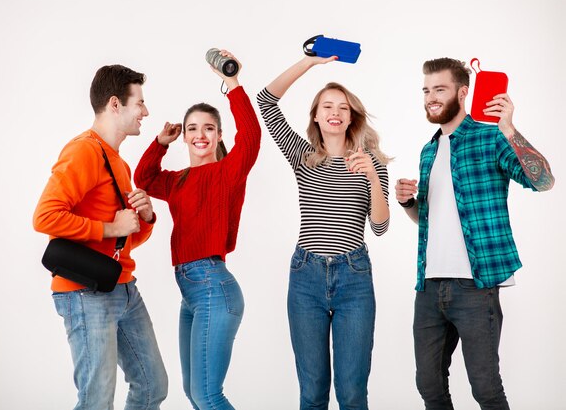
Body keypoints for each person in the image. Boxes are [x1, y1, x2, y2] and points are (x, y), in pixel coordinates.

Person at [395, 57, 555, 410]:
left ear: (463, 92)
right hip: (429, 286)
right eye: (426, 90)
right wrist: (408, 203)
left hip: (475, 287)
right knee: (429, 386)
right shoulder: (429, 149)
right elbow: (428, 220)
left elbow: (543, 181)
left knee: (486, 389)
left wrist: (509, 129)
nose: (430, 97)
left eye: (439, 89)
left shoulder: (491, 137)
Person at [257, 55, 391, 410]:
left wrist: (374, 179)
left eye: (343, 107)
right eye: (326, 106)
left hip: (354, 278)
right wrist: (309, 63)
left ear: (351, 117)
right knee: (313, 393)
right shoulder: (303, 155)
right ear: (316, 116)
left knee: (351, 393)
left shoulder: (370, 162)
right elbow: (265, 101)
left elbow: (380, 227)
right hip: (306, 278)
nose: (335, 112)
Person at [33, 64, 168, 410]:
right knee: (96, 401)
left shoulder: (119, 165)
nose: (146, 111)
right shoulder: (84, 151)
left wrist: (147, 219)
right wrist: (112, 227)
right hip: (84, 293)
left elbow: (124, 241)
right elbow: (45, 217)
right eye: (139, 103)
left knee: (153, 386)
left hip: (122, 286)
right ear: (114, 104)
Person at [134, 50, 260, 410]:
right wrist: (160, 143)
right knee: (194, 394)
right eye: (192, 128)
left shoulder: (228, 173)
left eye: (208, 128)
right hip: (191, 295)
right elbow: (142, 179)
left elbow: (250, 138)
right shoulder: (177, 181)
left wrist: (233, 84)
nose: (200, 134)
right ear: (185, 137)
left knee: (208, 395)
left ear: (219, 134)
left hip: (213, 288)